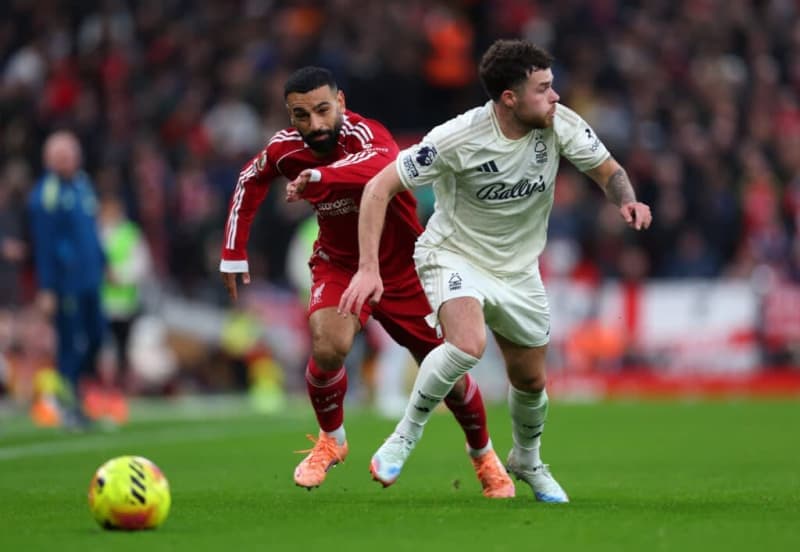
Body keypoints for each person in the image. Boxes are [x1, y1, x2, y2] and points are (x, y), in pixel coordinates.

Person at [340, 39, 653, 502]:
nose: (556, 97)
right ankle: (404, 435)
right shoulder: (456, 139)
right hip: (453, 254)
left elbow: (608, 171)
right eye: (544, 88)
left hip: (519, 269)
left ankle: (526, 459)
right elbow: (378, 188)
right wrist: (368, 268)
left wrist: (627, 199)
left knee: (529, 380)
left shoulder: (560, 124)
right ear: (510, 97)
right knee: (467, 344)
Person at [220, 67, 514, 497]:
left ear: (340, 103)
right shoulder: (286, 149)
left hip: (403, 268)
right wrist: (232, 252)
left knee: (445, 371)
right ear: (291, 116)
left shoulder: (366, 134)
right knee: (327, 345)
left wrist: (322, 177)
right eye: (302, 115)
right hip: (340, 264)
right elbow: (251, 179)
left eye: (323, 110)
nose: (315, 124)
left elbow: (382, 165)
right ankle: (331, 440)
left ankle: (483, 456)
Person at [27, 130, 107, 430]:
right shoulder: (45, 195)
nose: (67, 161)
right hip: (67, 283)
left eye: (71, 154)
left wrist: (104, 261)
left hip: (91, 280)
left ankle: (74, 393)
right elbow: (44, 245)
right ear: (50, 160)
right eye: (61, 156)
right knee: (70, 344)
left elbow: (91, 230)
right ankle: (68, 404)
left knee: (98, 336)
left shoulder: (83, 185)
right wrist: (46, 287)